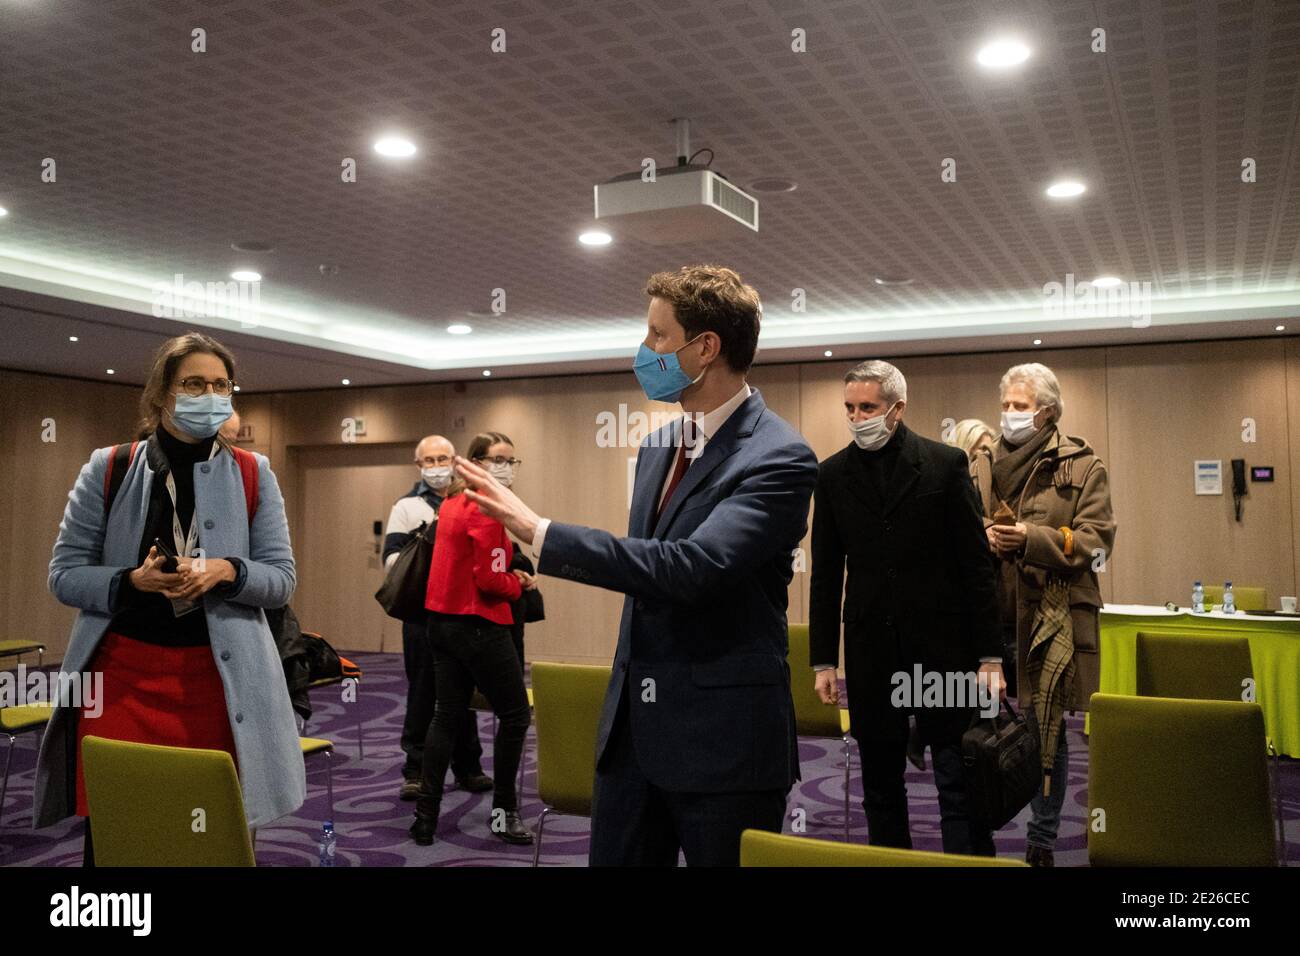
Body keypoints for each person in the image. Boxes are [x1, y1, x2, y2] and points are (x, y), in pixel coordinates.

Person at [456, 264, 818, 866]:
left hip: (723, 743)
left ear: (705, 348)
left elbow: (691, 569)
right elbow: (646, 577)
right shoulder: (657, 446)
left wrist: (540, 533)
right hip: (631, 737)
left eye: (657, 335)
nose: (644, 350)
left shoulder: (779, 457)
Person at [35, 331, 304, 862]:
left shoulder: (254, 474)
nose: (210, 394)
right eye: (194, 384)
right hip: (122, 679)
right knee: (121, 831)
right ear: (161, 394)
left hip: (219, 683)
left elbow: (281, 580)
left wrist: (228, 570)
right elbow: (65, 575)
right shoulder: (108, 467)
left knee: (207, 833)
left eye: (221, 384)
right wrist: (131, 582)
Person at [809, 361, 1003, 855]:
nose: (857, 417)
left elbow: (976, 569)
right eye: (850, 408)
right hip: (873, 653)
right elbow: (827, 573)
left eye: (867, 407)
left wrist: (991, 657)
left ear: (897, 409)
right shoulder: (830, 475)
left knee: (957, 785)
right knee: (880, 789)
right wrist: (824, 660)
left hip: (944, 654)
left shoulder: (944, 464)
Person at [970, 362, 1116, 867]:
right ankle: (976, 834)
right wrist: (983, 536)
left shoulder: (1082, 464)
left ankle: (1043, 840)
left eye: (1021, 407)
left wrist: (1032, 539)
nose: (1009, 415)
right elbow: (954, 531)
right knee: (978, 730)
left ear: (1048, 412)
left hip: (1048, 625)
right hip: (989, 623)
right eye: (1005, 406)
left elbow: (1097, 544)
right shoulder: (980, 463)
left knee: (1045, 734)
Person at [410, 432, 536, 846]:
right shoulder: (486, 506)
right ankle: (505, 813)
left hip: (441, 624)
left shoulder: (450, 501)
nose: (506, 467)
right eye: (499, 458)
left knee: (446, 714)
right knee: (516, 715)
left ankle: (425, 816)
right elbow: (488, 578)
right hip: (477, 624)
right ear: (477, 461)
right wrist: (519, 585)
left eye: (511, 460)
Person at [383, 435, 491, 801]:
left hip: (463, 613)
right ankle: (415, 770)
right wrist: (433, 554)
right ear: (418, 466)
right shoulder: (407, 506)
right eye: (428, 460)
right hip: (421, 616)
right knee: (423, 692)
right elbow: (392, 561)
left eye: (442, 458)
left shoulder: (470, 499)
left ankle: (469, 767)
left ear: (455, 459)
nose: (436, 466)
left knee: (463, 692)